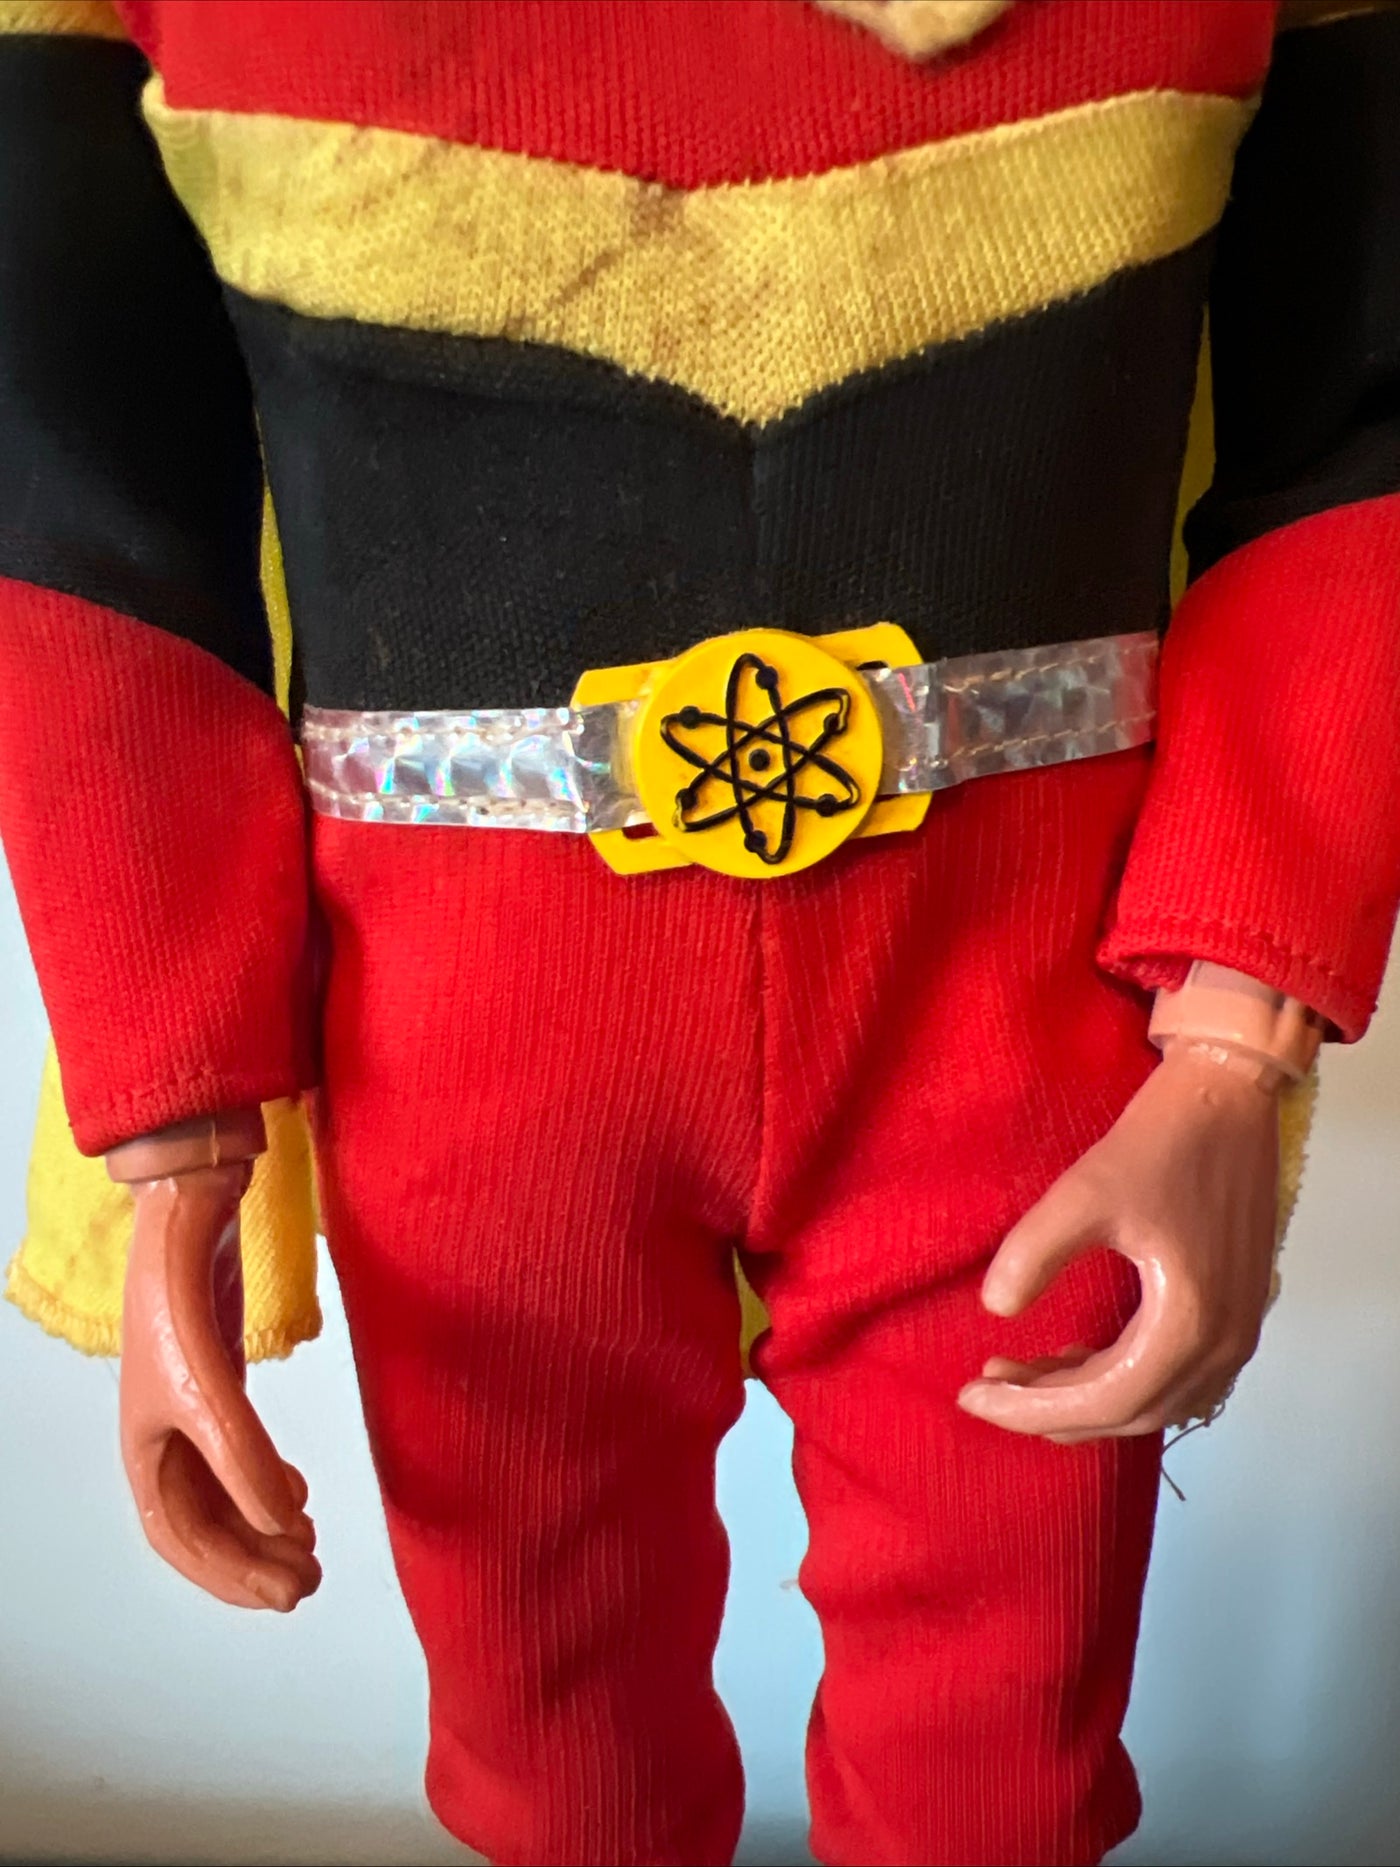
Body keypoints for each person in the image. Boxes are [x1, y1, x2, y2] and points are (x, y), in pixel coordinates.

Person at [1, 2, 1397, 1862]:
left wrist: (1240, 1022)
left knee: (1002, 1774)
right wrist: (172, 1134)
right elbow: (81, 496)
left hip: (1023, 1017)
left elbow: (1355, 426)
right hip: (468, 1045)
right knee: (553, 1759)